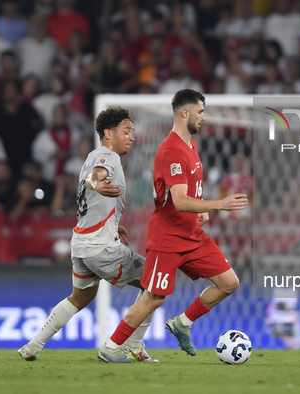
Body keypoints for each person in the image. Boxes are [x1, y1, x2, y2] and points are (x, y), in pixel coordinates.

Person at [98, 89, 248, 363]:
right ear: (185, 113)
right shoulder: (171, 150)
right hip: (168, 237)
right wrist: (219, 205)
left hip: (192, 234)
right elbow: (178, 201)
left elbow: (188, 194)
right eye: (200, 112)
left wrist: (200, 209)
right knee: (153, 298)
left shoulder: (191, 145)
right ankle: (111, 346)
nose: (204, 117)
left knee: (228, 282)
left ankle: (183, 323)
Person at [18, 107, 158, 363]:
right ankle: (133, 346)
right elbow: (96, 179)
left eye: (132, 132)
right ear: (108, 133)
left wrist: (114, 223)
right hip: (101, 248)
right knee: (156, 282)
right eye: (126, 131)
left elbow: (88, 195)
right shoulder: (108, 156)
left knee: (80, 297)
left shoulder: (92, 156)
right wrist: (97, 184)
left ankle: (33, 345)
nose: (132, 137)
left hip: (81, 245)